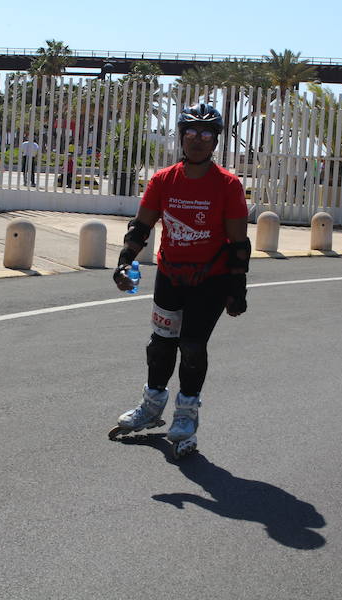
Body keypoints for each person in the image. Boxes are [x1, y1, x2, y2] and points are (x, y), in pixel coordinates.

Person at [108, 104, 251, 459]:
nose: (198, 140)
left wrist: (237, 289)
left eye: (206, 134)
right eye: (191, 133)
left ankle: (186, 416)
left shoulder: (228, 185)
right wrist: (125, 262)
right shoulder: (163, 180)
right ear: (181, 137)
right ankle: (152, 407)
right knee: (160, 344)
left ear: (216, 140)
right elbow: (141, 227)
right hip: (171, 274)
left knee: (191, 346)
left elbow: (238, 244)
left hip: (211, 280)